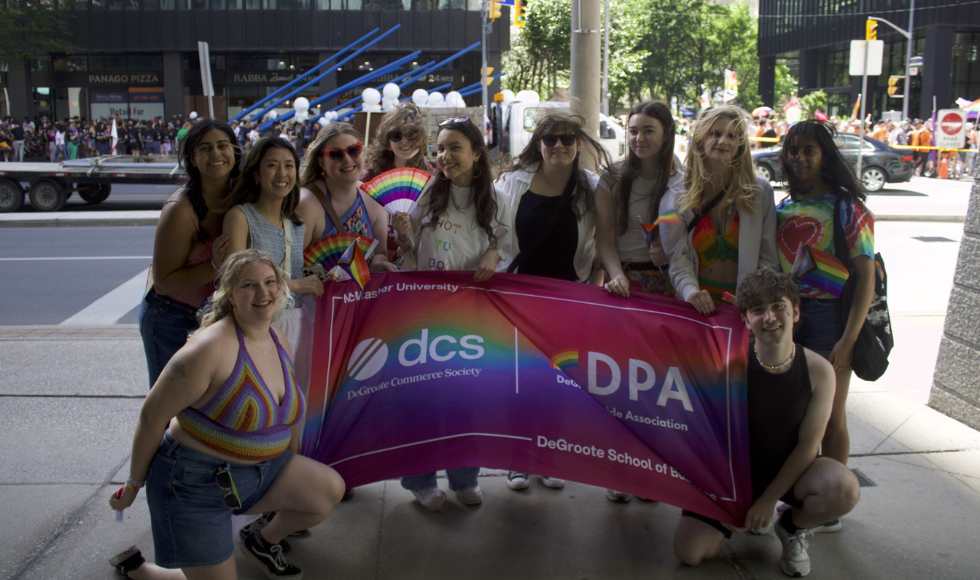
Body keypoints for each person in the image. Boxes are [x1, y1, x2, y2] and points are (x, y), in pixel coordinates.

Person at [110, 249, 345, 580]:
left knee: (328, 489)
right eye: (249, 285)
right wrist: (133, 486)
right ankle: (141, 571)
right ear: (230, 295)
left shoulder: (277, 338)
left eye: (270, 282)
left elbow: (286, 417)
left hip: (259, 472)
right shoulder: (208, 349)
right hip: (194, 484)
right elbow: (151, 417)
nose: (263, 293)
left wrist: (289, 466)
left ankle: (261, 540)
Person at [673, 268, 860, 578]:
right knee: (688, 553)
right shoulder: (729, 365)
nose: (769, 317)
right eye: (757, 310)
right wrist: (731, 503)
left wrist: (768, 501)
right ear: (746, 320)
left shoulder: (819, 371)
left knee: (843, 489)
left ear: (796, 312)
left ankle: (791, 526)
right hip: (736, 477)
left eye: (778, 306)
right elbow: (708, 438)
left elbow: (808, 445)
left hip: (791, 474)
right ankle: (736, 521)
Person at [391, 117, 511, 511]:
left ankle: (465, 478)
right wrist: (403, 233)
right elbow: (410, 253)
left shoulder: (497, 199)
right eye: (440, 148)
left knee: (466, 398)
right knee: (422, 399)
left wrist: (495, 253)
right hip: (424, 312)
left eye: (455, 147)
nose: (445, 156)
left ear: (477, 153)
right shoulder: (429, 193)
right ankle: (419, 480)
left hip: (472, 315)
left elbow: (508, 244)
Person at [495, 112, 611, 491]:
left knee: (560, 381)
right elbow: (496, 236)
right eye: (550, 139)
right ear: (538, 144)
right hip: (519, 299)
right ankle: (518, 459)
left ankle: (550, 455)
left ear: (579, 144)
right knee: (519, 381)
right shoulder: (513, 182)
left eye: (566, 139)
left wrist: (594, 284)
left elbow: (604, 242)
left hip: (569, 299)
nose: (558, 146)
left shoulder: (593, 187)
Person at [775, 119, 876, 467]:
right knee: (796, 415)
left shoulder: (847, 208)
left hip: (829, 319)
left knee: (831, 415)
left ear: (825, 157)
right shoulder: (782, 209)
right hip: (788, 319)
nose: (799, 157)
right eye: (793, 150)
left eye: (809, 150)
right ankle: (803, 491)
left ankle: (832, 501)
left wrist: (848, 340)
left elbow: (866, 278)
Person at [138, 119, 239, 387]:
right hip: (171, 316)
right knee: (169, 407)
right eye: (205, 149)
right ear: (193, 159)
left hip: (216, 314)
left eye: (223, 146)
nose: (216, 154)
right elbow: (164, 281)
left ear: (235, 151)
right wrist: (215, 266)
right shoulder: (180, 210)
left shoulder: (241, 194)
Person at [222, 136, 323, 395]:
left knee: (296, 404)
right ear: (256, 173)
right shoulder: (239, 216)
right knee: (259, 401)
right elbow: (233, 282)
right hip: (255, 325)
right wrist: (297, 284)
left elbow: (298, 268)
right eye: (272, 166)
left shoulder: (296, 222)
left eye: (289, 166)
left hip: (297, 324)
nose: (282, 174)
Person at [660, 105, 779, 316]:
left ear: (741, 144)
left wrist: (752, 299)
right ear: (700, 139)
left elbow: (769, 257)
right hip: (695, 308)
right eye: (715, 133)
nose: (723, 141)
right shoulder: (674, 195)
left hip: (747, 310)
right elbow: (676, 259)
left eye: (732, 136)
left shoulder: (761, 192)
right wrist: (691, 293)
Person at [596, 100, 684, 301]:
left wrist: (670, 252)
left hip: (671, 281)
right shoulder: (612, 177)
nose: (639, 138)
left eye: (648, 131)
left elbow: (688, 236)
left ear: (667, 134)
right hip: (623, 283)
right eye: (633, 131)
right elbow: (604, 241)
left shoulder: (683, 180)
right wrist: (617, 275)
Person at [296, 122, 395, 272]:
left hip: (360, 293)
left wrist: (377, 263)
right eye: (336, 154)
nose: (347, 159)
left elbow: (380, 253)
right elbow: (290, 264)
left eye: (354, 150)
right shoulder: (307, 203)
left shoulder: (373, 199)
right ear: (321, 162)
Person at [362, 103, 437, 261]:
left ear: (421, 139)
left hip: (418, 258)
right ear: (387, 142)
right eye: (396, 135)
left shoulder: (433, 178)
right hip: (376, 258)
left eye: (411, 135)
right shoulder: (370, 177)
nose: (404, 141)